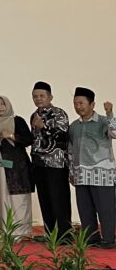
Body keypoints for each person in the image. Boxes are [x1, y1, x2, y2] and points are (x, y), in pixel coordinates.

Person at [68, 88, 116, 248]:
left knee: (105, 209)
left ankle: (109, 239)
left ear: (92, 104)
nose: (78, 107)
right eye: (75, 104)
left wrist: (110, 113)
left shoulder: (103, 121)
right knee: (85, 209)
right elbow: (70, 150)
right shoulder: (74, 126)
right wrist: (71, 172)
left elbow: (115, 133)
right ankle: (91, 238)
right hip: (81, 173)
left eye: (81, 103)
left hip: (102, 173)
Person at [0, 95, 35, 240]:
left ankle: (21, 231)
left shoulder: (17, 121)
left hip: (18, 167)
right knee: (2, 199)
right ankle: (5, 230)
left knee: (18, 199)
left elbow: (29, 140)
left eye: (3, 104)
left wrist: (12, 135)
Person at [30, 81, 72, 240]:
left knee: (59, 198)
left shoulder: (59, 113)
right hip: (39, 163)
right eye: (35, 96)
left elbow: (63, 136)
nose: (38, 99)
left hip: (56, 163)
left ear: (50, 97)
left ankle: (64, 235)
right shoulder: (34, 115)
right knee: (45, 198)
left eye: (42, 96)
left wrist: (44, 127)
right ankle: (50, 233)